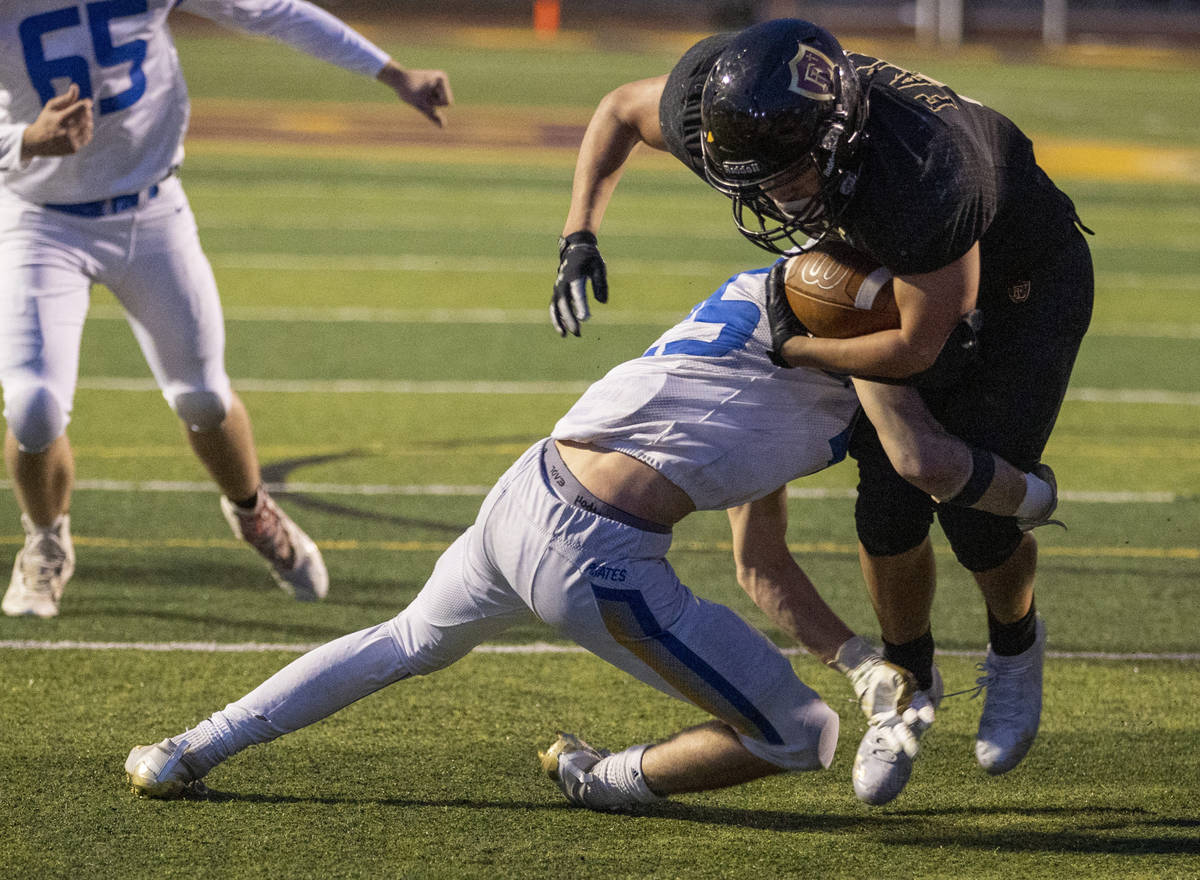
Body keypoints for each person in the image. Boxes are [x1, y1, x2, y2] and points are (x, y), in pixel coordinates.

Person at [124, 262, 1053, 807]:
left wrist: (857, 656)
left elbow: (759, 561)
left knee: (402, 640)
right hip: (596, 559)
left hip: (523, 492)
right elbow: (925, 458)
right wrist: (1030, 495)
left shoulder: (757, 307)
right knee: (798, 736)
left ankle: (187, 750)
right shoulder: (860, 373)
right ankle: (595, 775)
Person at [550, 18, 1091, 804]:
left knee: (972, 513)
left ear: (837, 137)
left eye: (789, 178)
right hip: (892, 266)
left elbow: (914, 342)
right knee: (886, 512)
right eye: (755, 179)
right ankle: (908, 679)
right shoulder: (726, 105)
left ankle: (1015, 646)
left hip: (1018, 283)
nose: (773, 198)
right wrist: (578, 235)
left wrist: (801, 350)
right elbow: (616, 113)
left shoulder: (925, 174)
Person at [0, 0, 453, 617]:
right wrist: (24, 140)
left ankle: (253, 511)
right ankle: (46, 540)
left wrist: (392, 72)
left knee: (203, 398)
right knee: (33, 406)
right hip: (41, 221)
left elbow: (276, 13)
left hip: (152, 209)